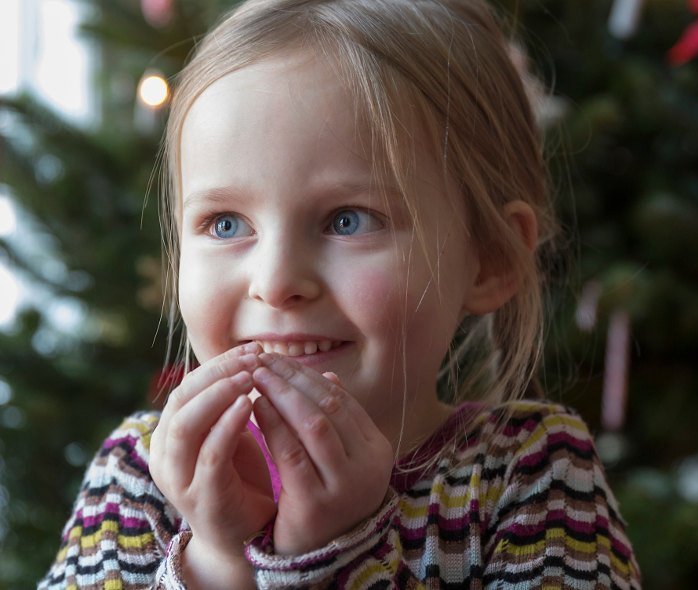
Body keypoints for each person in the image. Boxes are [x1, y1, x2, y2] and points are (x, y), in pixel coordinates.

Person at [38, 0, 640, 588]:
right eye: (225, 224)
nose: (274, 283)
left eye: (348, 220)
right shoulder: (140, 475)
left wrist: (335, 557)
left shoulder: (532, 470)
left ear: (489, 259)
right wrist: (216, 563)